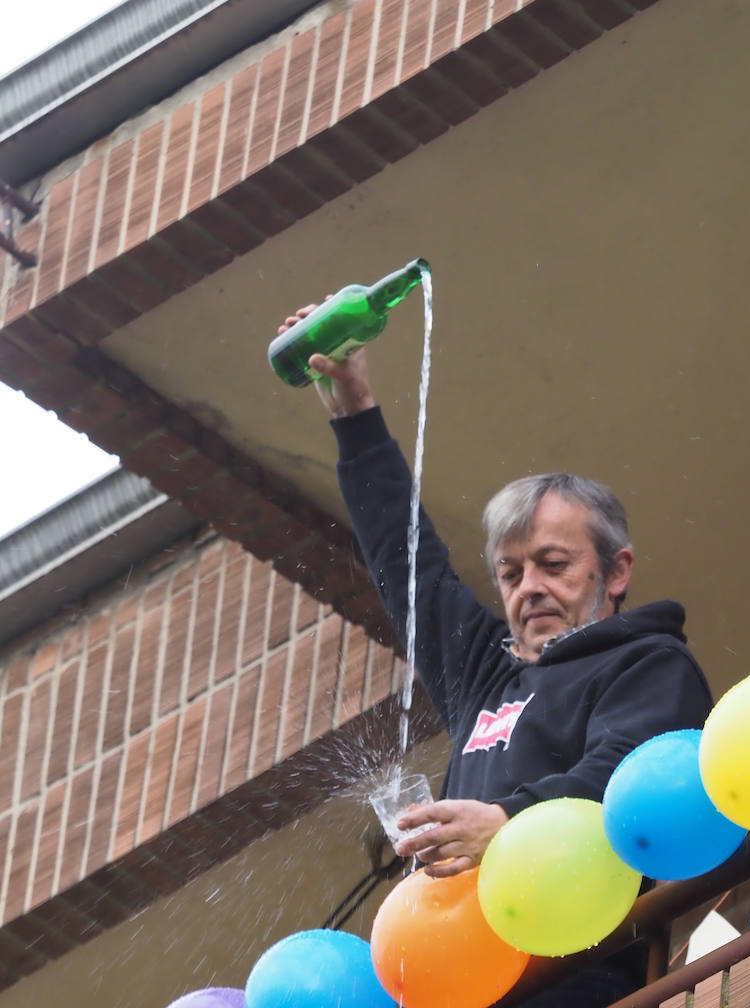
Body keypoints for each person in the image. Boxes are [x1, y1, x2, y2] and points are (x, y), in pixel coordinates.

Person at [281, 311, 715, 1007]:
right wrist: (354, 410)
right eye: (511, 573)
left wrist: (508, 821)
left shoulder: (651, 664)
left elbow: (622, 777)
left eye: (553, 565)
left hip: (578, 976)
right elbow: (407, 561)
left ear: (617, 569)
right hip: (464, 978)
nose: (530, 588)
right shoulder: (488, 668)